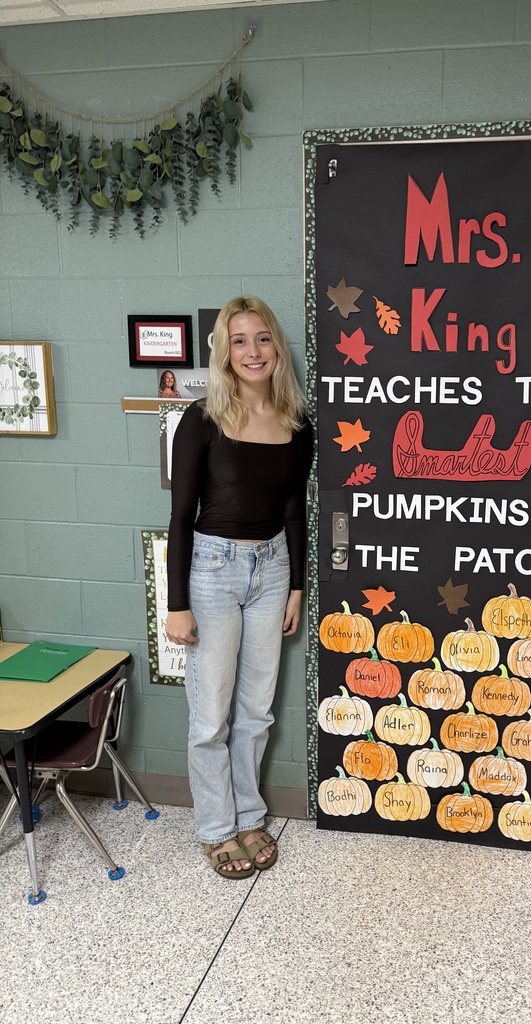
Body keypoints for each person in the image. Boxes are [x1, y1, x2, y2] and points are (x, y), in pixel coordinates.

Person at [164, 296, 313, 878]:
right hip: (212, 572)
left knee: (256, 710)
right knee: (210, 717)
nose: (253, 352)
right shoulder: (202, 418)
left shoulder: (297, 423)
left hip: (273, 570)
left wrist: (296, 587)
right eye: (240, 341)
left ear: (277, 347)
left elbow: (295, 511)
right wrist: (178, 603)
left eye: (263, 339)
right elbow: (180, 516)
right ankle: (215, 829)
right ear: (225, 352)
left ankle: (249, 817)